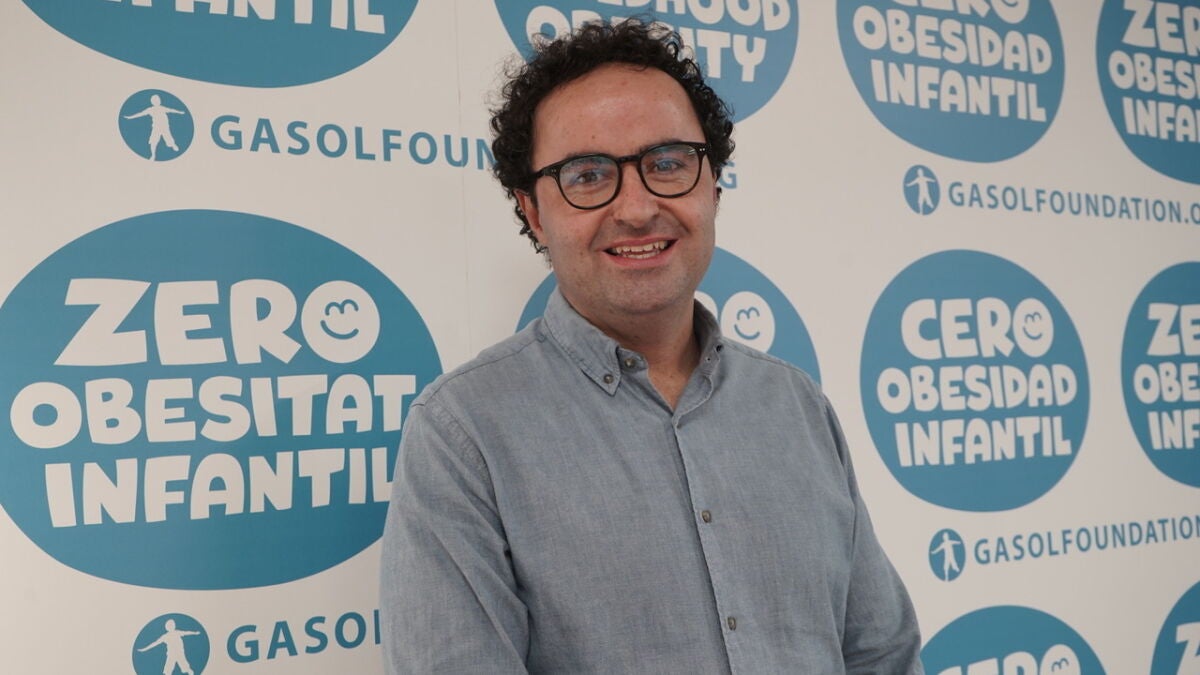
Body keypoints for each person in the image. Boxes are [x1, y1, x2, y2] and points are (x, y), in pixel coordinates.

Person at [380, 19, 923, 674]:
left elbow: (881, 653)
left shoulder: (797, 405)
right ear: (533, 212)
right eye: (587, 174)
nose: (636, 208)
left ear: (712, 186)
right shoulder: (463, 435)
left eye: (667, 163)